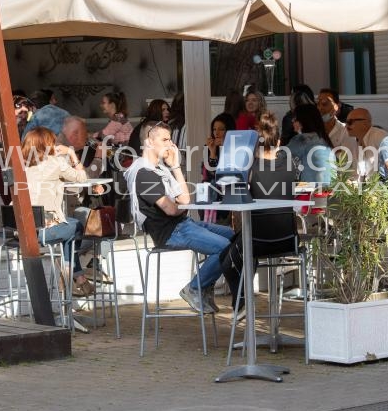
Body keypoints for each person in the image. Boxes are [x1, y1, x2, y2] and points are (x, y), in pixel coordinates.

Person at [125, 121, 233, 313]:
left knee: (233, 237)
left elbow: (184, 199)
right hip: (170, 232)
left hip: (183, 224)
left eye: (171, 140)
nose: (170, 145)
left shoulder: (161, 169)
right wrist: (180, 206)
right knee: (225, 248)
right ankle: (195, 287)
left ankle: (205, 286)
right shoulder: (143, 173)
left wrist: (175, 166)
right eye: (165, 140)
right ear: (149, 142)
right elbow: (171, 210)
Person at [221, 112, 298, 311]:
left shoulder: (251, 168)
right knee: (239, 247)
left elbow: (230, 193)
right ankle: (243, 300)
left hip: (257, 242)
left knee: (227, 260)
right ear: (279, 141)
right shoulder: (290, 164)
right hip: (289, 240)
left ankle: (242, 302)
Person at [22, 127, 95, 297]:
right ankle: (71, 275)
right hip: (43, 231)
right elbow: (83, 178)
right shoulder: (55, 163)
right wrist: (70, 153)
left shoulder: (19, 166)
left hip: (21, 232)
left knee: (68, 228)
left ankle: (75, 276)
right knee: (76, 225)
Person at [286, 104, 334, 185]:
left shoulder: (301, 139)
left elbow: (279, 157)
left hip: (310, 192)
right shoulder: (324, 140)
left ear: (302, 121)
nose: (292, 121)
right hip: (330, 191)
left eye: (294, 119)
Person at [317, 88, 358, 167]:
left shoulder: (345, 131)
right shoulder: (313, 131)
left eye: (325, 104)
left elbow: (351, 164)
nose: (320, 108)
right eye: (318, 104)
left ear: (337, 106)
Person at [345, 108, 388, 179]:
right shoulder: (355, 142)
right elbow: (359, 173)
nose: (346, 126)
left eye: (350, 122)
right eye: (346, 122)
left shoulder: (378, 135)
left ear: (365, 123)